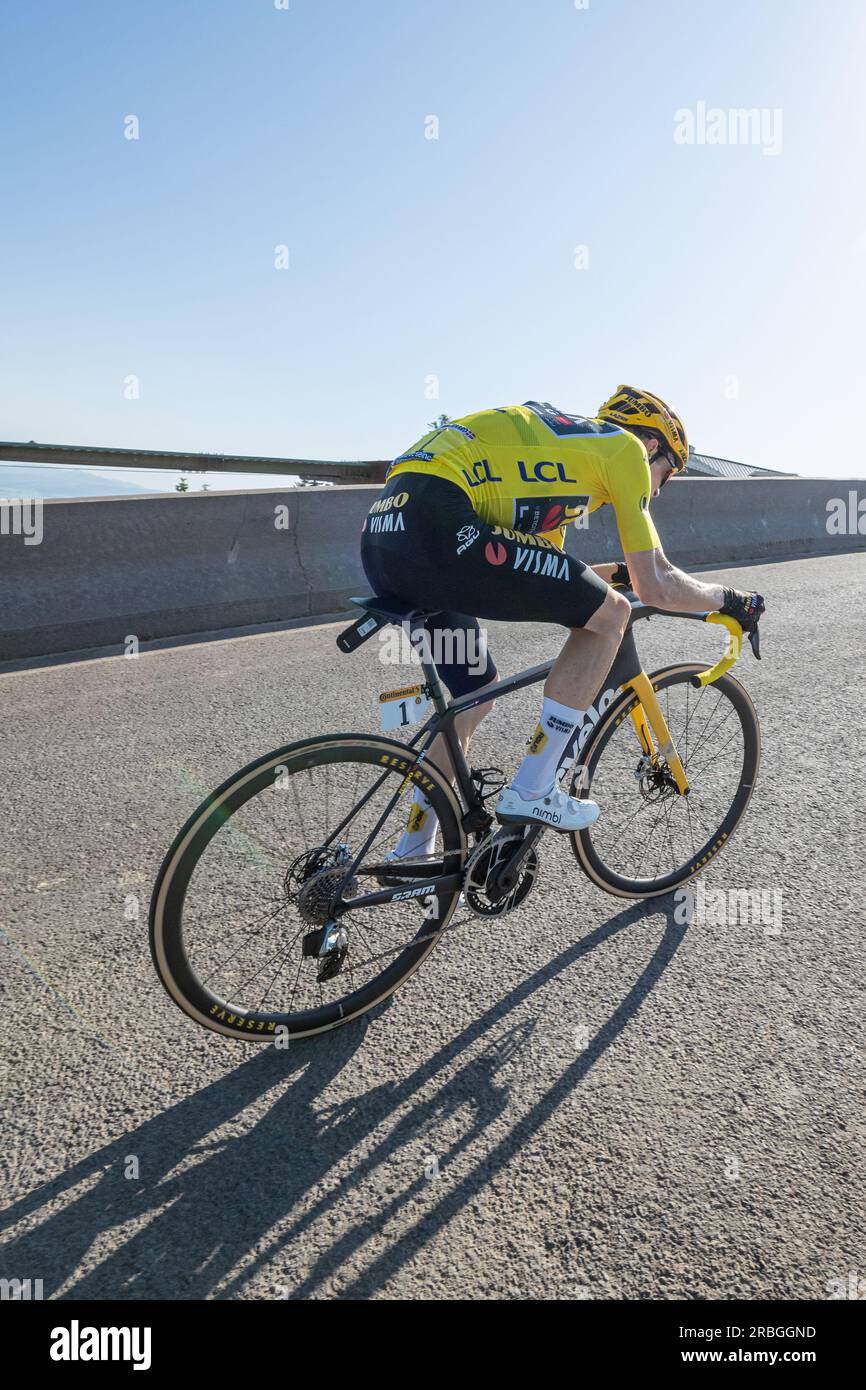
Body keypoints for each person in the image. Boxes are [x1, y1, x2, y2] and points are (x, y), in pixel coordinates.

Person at [360, 386, 764, 861]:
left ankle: (412, 849)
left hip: (386, 538)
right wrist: (732, 600)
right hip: (442, 528)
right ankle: (533, 788)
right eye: (667, 475)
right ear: (653, 445)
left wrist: (620, 574)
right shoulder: (625, 448)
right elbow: (656, 585)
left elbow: (545, 569)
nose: (656, 490)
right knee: (611, 616)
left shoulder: (561, 458)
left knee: (474, 693)